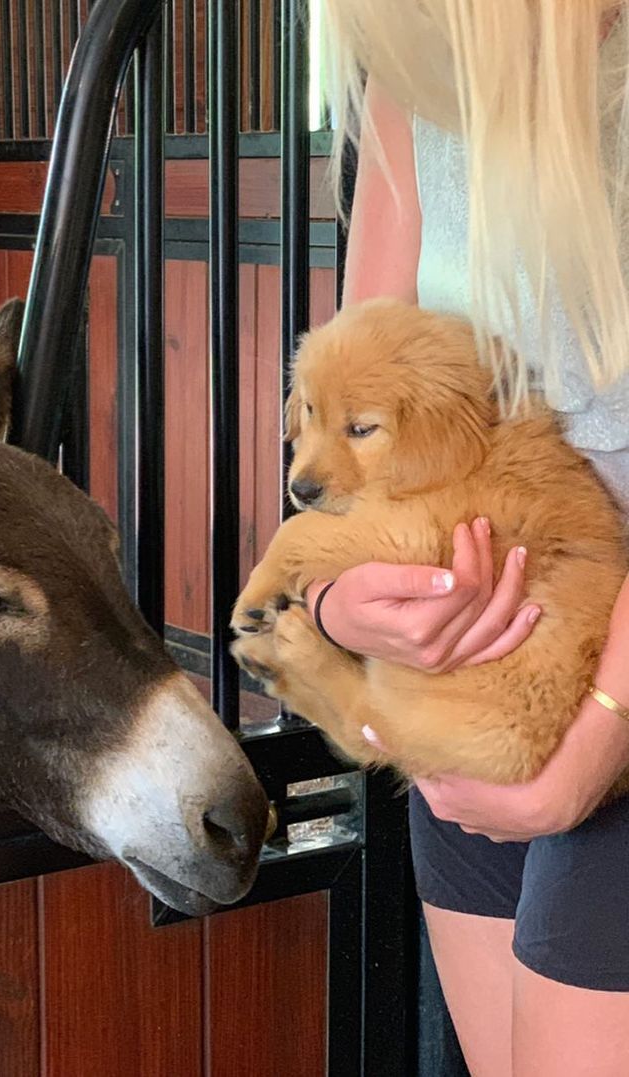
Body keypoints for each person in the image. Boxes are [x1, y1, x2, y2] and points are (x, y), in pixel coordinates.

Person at [309, 2, 629, 1073]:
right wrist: (339, 602)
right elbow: (352, 408)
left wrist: (591, 747)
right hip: (477, 677)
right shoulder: (419, 79)